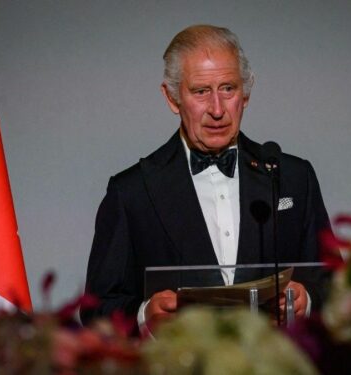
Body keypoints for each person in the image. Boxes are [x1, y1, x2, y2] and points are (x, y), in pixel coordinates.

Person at [81, 25, 331, 331]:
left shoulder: (292, 177)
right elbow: (97, 309)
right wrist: (145, 315)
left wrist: (309, 299)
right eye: (201, 91)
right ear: (172, 99)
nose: (217, 109)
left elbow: (335, 284)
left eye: (228, 89)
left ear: (246, 94)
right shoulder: (132, 192)